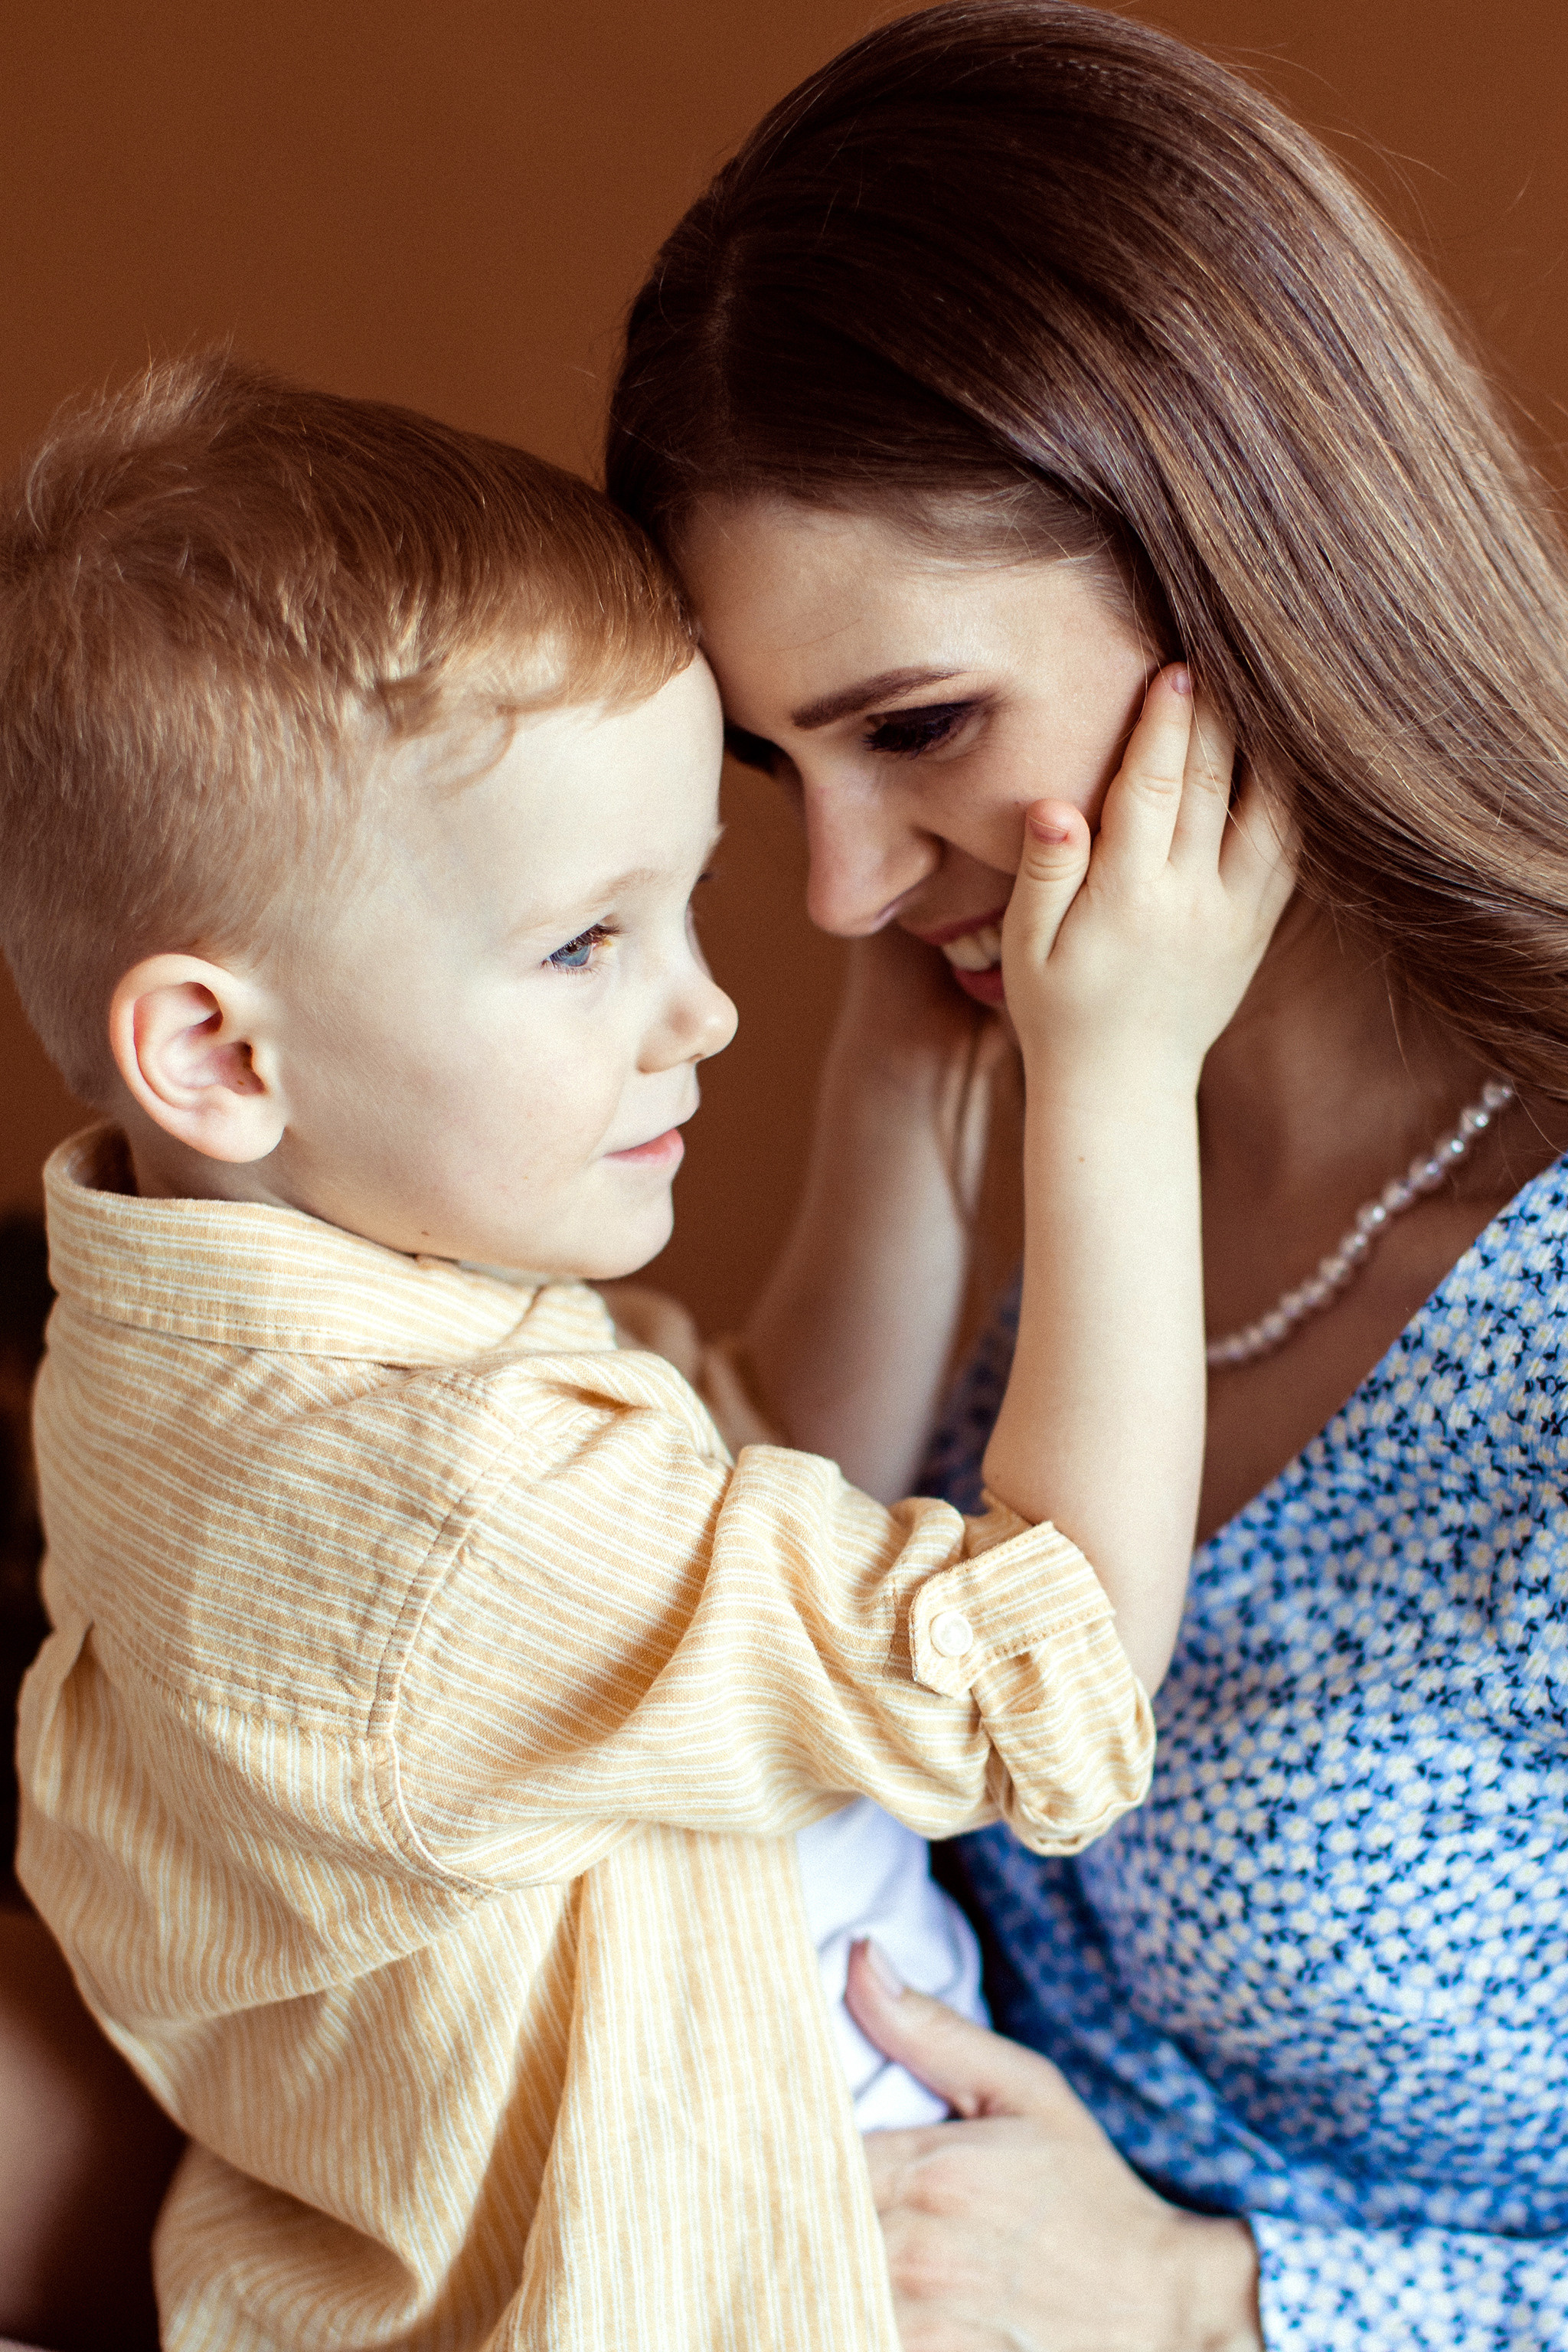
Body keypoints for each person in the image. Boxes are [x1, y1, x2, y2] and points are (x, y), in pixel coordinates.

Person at [0, 353, 1287, 2350]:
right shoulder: (427, 1508)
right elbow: (1047, 1680)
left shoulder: (232, 1348)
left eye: (691, 900)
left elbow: (745, 1474)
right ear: (224, 1054)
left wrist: (891, 1097)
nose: (704, 1010)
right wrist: (1111, 1080)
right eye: (588, 942)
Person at [604, 3, 1568, 2346]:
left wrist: (1211, 2300)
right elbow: (784, 1711)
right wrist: (908, 1138)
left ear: (1253, 573)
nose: (831, 885)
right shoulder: (1060, 1073)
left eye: (917, 728)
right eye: (773, 767)